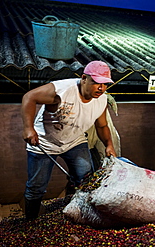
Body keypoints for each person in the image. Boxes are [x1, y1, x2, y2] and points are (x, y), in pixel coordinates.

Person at [21, 60, 117, 219]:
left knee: (85, 178)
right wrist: (28, 128)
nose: (101, 88)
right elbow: (29, 97)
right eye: (96, 83)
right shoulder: (62, 90)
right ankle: (30, 221)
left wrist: (109, 145)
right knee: (37, 187)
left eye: (105, 84)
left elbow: (102, 126)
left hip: (75, 141)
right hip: (44, 143)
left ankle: (73, 209)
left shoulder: (102, 99)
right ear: (84, 78)